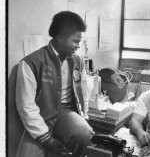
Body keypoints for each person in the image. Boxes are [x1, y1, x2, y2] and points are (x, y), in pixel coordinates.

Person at [16, 11, 93, 157]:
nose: (78, 46)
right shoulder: (30, 63)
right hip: (41, 115)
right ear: (60, 37)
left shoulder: (77, 61)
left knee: (83, 132)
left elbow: (83, 92)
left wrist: (84, 115)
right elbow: (26, 107)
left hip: (66, 112)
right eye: (75, 41)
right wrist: (47, 140)